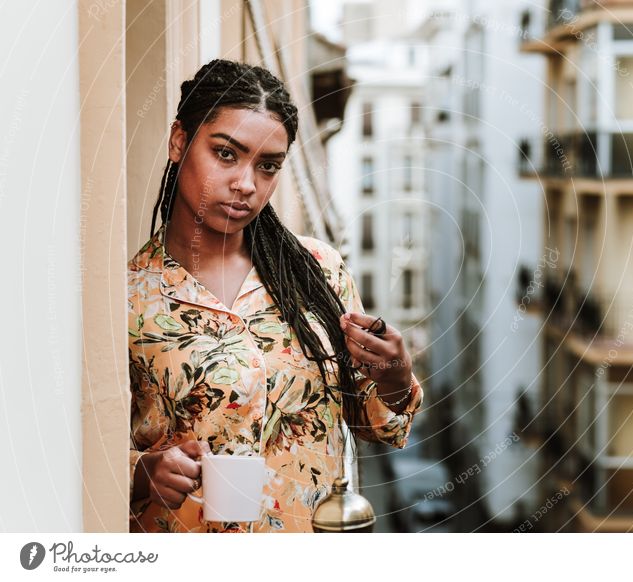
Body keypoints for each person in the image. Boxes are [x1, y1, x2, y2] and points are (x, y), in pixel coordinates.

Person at [128, 59, 423, 533]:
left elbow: (378, 426)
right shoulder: (131, 299)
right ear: (179, 142)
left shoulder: (316, 271)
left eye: (267, 166)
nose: (246, 184)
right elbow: (81, 447)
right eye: (226, 154)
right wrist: (139, 474)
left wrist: (394, 377)